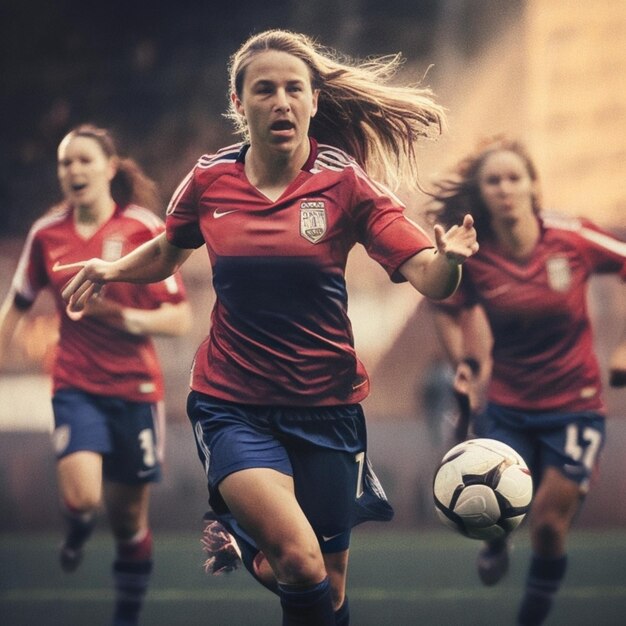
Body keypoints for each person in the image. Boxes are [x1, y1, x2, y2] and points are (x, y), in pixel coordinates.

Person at [58, 30, 479, 626]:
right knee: (302, 563)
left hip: (328, 408)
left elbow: (430, 279)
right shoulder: (208, 179)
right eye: (264, 90)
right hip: (233, 403)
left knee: (327, 589)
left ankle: (243, 538)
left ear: (312, 102)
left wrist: (452, 261)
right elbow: (169, 251)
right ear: (239, 105)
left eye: (293, 89)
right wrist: (112, 268)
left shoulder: (347, 184)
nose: (280, 101)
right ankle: (251, 531)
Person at [427, 135, 626, 626]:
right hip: (507, 407)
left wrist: (624, 346)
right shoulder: (473, 253)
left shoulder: (571, 236)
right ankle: (495, 539)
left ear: (533, 186)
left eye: (515, 178)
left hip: (575, 407)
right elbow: (446, 307)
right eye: (493, 181)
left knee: (548, 527)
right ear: (482, 193)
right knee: (495, 511)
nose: (505, 188)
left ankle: (530, 619)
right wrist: (465, 367)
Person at [0, 124, 192, 626]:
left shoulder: (144, 228)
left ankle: (125, 616)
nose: (74, 171)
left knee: (129, 519)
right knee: (85, 496)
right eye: (65, 163)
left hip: (136, 389)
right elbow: (15, 306)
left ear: (109, 168)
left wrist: (124, 317)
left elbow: (179, 319)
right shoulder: (47, 235)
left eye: (84, 160)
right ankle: (78, 525)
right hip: (75, 383)